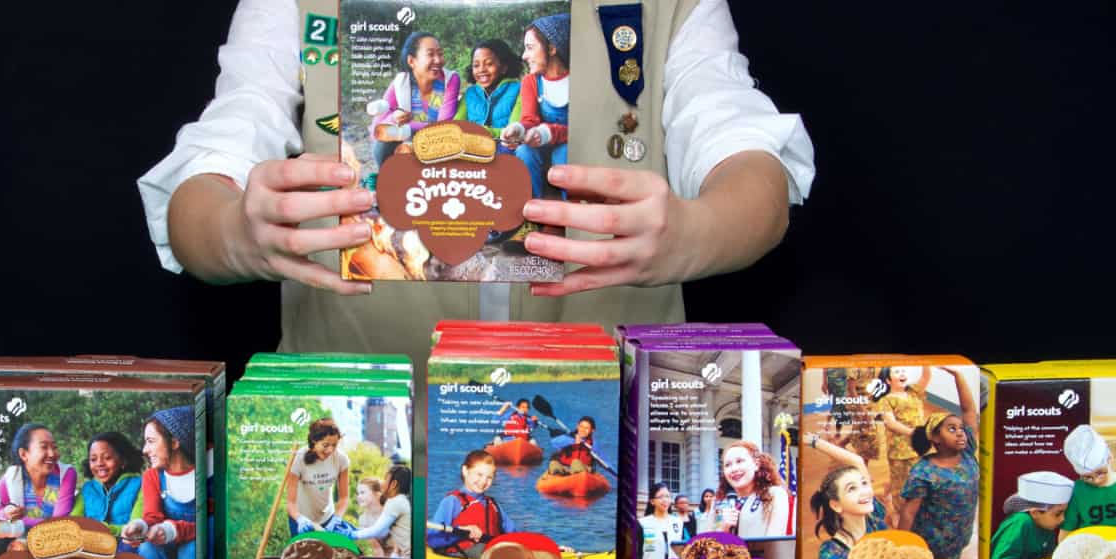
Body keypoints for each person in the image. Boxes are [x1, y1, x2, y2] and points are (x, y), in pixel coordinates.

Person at [139, 0, 814, 365]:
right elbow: (202, 188)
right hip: (371, 461)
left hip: (610, 462)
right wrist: (237, 231)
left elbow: (752, 169)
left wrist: (692, 233)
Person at [127, 407, 203, 559]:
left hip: (198, 542)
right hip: (169, 545)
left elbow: (210, 522)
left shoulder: (205, 475)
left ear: (175, 442)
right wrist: (141, 526)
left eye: (151, 441)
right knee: (148, 548)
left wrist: (172, 529)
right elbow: (153, 516)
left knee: (191, 553)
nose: (145, 449)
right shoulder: (153, 476)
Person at [897, 367, 979, 559]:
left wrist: (958, 376)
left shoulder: (967, 453)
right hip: (930, 544)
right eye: (952, 429)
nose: (960, 433)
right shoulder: (923, 472)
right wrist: (901, 547)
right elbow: (908, 513)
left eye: (961, 428)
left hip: (959, 538)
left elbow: (968, 410)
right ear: (935, 437)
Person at [0, 424, 78, 559]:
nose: (52, 453)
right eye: (44, 447)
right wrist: (5, 514)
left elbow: (59, 523)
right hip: (17, 544)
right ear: (24, 454)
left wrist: (21, 521)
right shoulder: (12, 477)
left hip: (52, 542)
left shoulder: (66, 474)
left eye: (54, 447)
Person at [368, 31, 461, 166]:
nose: (438, 60)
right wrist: (394, 118)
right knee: (382, 145)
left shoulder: (450, 80)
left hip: (436, 143)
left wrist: (406, 127)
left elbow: (443, 125)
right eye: (430, 54)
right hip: (405, 144)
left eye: (440, 54)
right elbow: (377, 130)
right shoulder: (400, 83)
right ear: (412, 61)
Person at [512, 14, 571, 200]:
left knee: (564, 155)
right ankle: (534, 207)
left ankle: (571, 209)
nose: (524, 56)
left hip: (570, 141)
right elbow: (530, 119)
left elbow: (585, 129)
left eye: (530, 48)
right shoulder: (531, 81)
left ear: (552, 48)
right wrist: (519, 129)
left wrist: (548, 132)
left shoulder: (577, 81)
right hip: (542, 144)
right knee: (524, 151)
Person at [1058, 425, 1116, 541]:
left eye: (1100, 473)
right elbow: (1066, 530)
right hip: (1086, 546)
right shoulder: (1077, 491)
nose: (1096, 480)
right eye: (1087, 477)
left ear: (1110, 457)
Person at [988, 472, 1073, 559]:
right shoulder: (1021, 522)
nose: (1063, 519)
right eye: (1058, 514)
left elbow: (1048, 557)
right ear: (1035, 512)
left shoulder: (1047, 525)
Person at [428, 450, 516, 559]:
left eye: (489, 477)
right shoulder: (452, 501)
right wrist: (460, 532)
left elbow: (513, 534)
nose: (483, 481)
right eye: (479, 474)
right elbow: (432, 539)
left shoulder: (493, 505)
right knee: (485, 550)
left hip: (490, 553)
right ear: (465, 471)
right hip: (462, 555)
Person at [874, 367, 925, 527]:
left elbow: (926, 377)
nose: (902, 373)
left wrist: (925, 363)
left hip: (919, 447)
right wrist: (913, 433)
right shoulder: (886, 400)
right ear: (888, 380)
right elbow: (891, 423)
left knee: (916, 478)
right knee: (900, 484)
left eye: (903, 371)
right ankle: (896, 512)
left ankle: (889, 494)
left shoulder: (913, 392)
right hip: (899, 450)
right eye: (896, 372)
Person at [285, 418, 351, 533]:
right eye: (325, 445)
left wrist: (337, 518)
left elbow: (344, 498)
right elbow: (291, 503)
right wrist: (299, 519)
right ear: (314, 440)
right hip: (300, 518)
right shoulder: (299, 458)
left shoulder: (341, 459)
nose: (330, 450)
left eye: (334, 445)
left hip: (328, 518)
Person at [80, 432, 146, 544]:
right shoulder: (87, 489)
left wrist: (105, 529)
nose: (99, 463)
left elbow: (135, 527)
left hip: (126, 544)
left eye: (107, 458)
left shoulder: (140, 485)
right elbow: (73, 521)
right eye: (93, 459)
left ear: (123, 460)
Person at [717, 440, 792, 538]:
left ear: (756, 464)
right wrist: (724, 529)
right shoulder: (722, 505)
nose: (733, 469)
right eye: (727, 465)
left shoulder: (774, 494)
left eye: (739, 461)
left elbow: (773, 542)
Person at [457, 39, 523, 144]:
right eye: (476, 65)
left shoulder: (519, 90)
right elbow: (456, 125)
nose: (481, 70)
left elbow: (514, 131)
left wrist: (482, 131)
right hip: (471, 146)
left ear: (504, 67)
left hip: (505, 147)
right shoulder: (470, 93)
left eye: (489, 64)